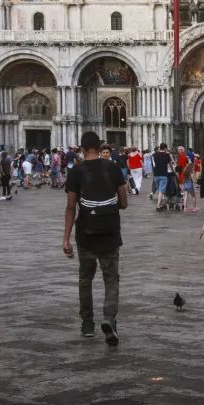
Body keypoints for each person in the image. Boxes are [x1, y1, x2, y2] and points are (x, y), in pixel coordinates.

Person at [62, 130, 128, 345]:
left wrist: (66, 238)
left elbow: (71, 206)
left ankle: (87, 323)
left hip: (85, 234)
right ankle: (109, 318)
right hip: (109, 233)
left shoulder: (76, 171)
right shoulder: (114, 167)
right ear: (100, 148)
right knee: (111, 279)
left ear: (81, 149)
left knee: (85, 279)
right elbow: (124, 202)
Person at [152, 143, 172, 211]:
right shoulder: (166, 155)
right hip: (163, 174)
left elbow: (154, 163)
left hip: (156, 174)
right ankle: (158, 205)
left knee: (159, 190)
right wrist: (173, 170)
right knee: (161, 190)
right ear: (165, 148)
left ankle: (161, 204)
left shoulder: (155, 154)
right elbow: (170, 163)